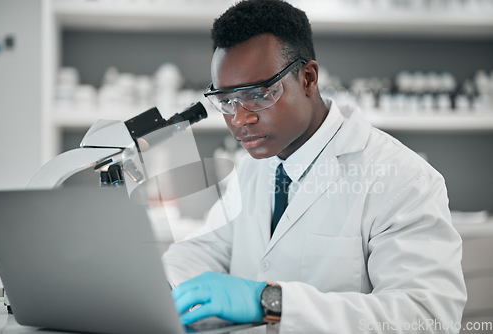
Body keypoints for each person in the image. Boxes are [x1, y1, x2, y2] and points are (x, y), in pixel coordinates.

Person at [162, 0, 467, 332]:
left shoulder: (402, 178)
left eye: (260, 94)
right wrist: (166, 288)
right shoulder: (252, 167)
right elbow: (206, 248)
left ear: (308, 78)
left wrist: (271, 302)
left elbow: (428, 318)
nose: (239, 119)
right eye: (226, 100)